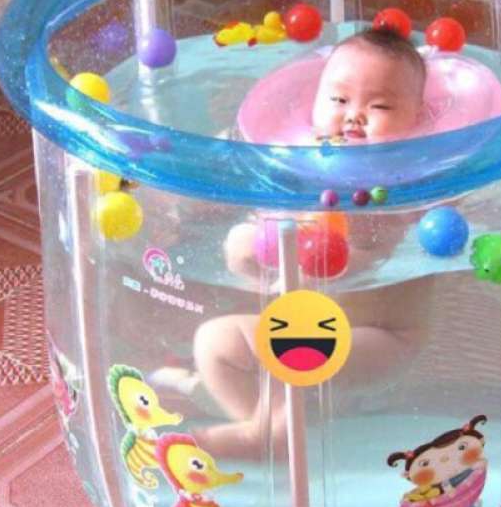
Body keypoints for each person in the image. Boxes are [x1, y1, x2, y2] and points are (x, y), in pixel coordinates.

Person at [161, 27, 434, 457]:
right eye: (339, 100)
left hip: (379, 338)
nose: (354, 116)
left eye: (379, 105)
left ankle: (262, 436)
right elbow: (255, 256)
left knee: (291, 351)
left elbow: (369, 260)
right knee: (214, 343)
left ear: (417, 116)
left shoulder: (400, 187)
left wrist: (315, 260)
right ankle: (268, 429)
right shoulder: (301, 165)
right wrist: (249, 251)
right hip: (302, 326)